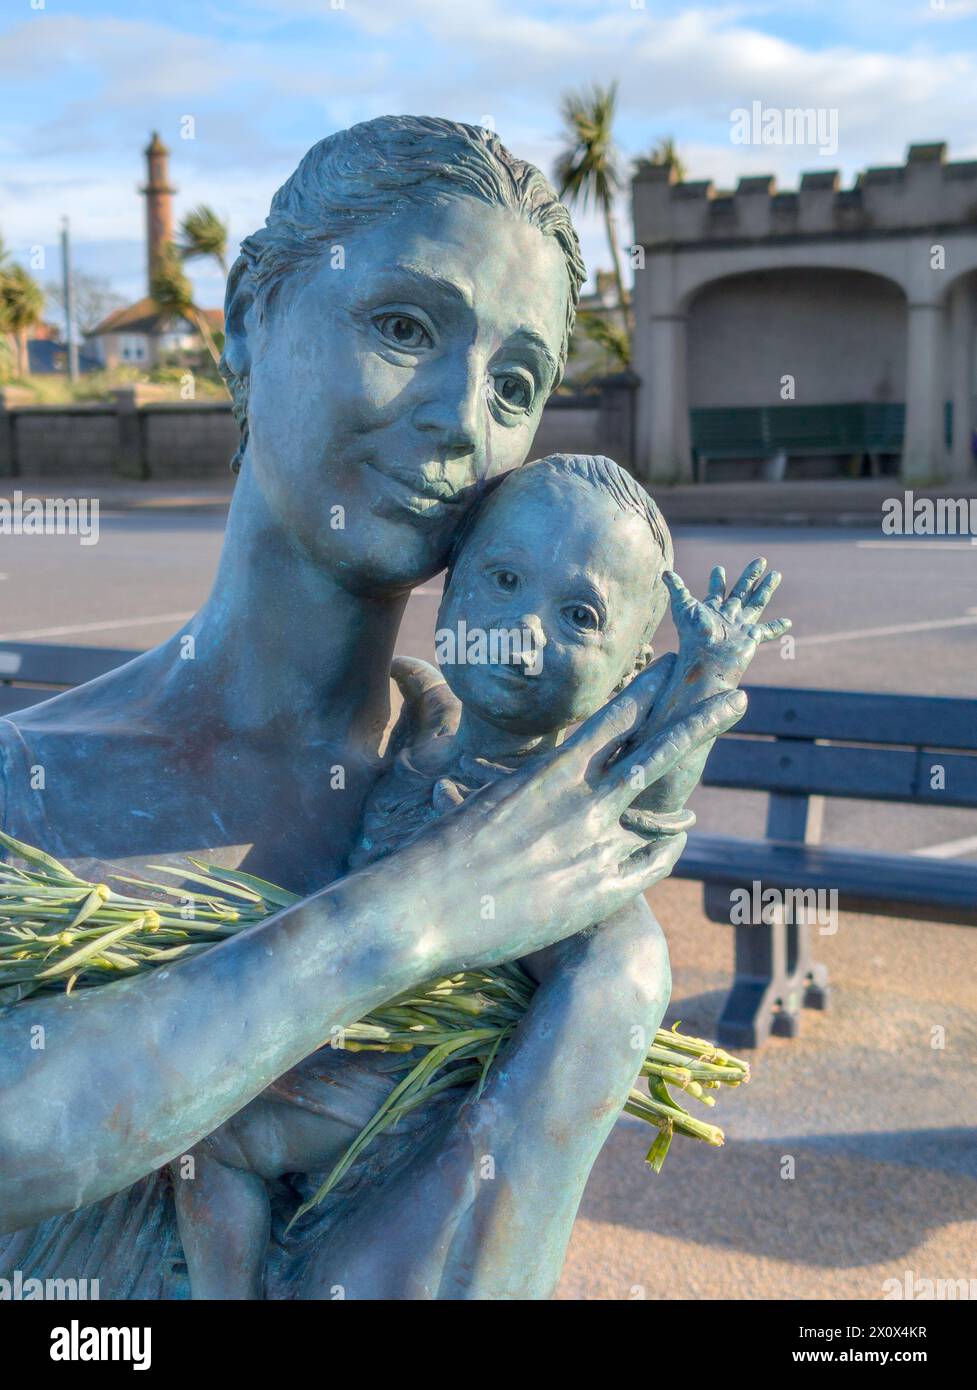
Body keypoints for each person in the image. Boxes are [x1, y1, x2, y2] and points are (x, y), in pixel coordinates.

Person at [0, 119, 746, 1300]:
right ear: (248, 320)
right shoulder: (26, 780)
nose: (462, 418)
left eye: (515, 383)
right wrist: (413, 915)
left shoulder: (518, 807)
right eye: (403, 327)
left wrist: (612, 987)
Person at [171, 453, 789, 1299]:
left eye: (579, 615)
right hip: (339, 1019)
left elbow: (647, 808)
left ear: (633, 663)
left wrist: (707, 675)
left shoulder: (561, 802)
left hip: (419, 1064)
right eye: (500, 579)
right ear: (452, 586)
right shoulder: (420, 743)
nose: (522, 630)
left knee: (209, 1140)